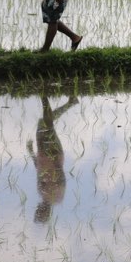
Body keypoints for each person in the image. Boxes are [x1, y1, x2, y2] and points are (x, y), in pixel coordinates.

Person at [27, 95, 79, 223]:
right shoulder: (55, 196)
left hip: (46, 155)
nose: (37, 209)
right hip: (51, 155)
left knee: (44, 123)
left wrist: (31, 152)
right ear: (44, 212)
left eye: (37, 212)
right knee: (47, 124)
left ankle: (70, 102)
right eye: (39, 212)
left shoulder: (47, 196)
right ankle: (44, 97)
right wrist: (55, 160)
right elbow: (61, 176)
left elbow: (39, 170)